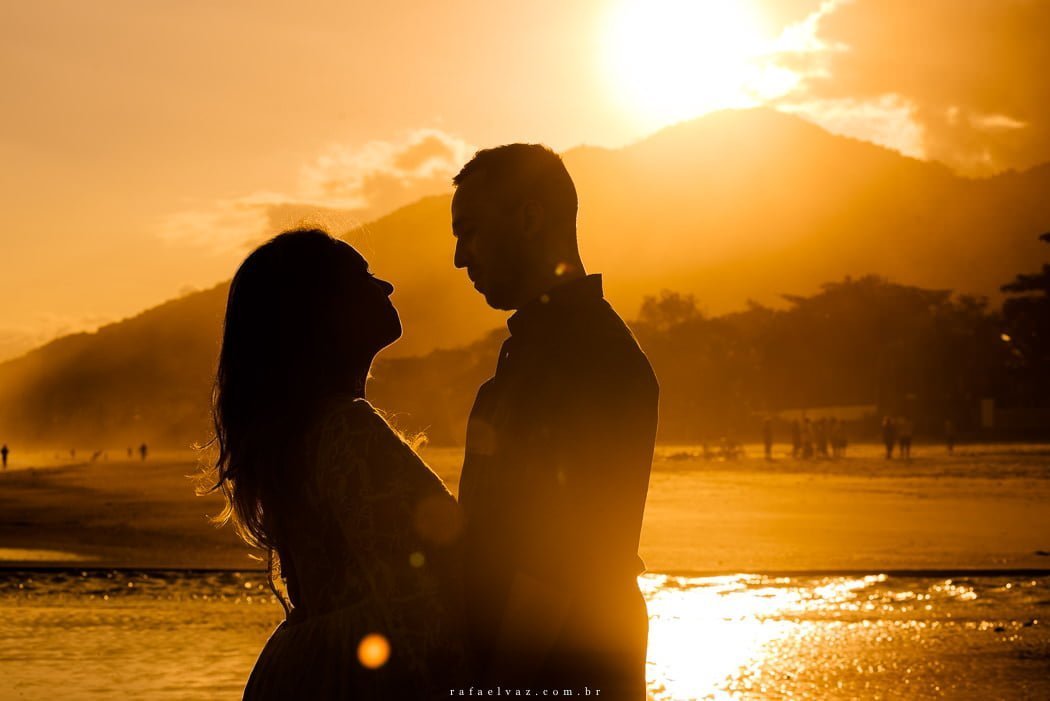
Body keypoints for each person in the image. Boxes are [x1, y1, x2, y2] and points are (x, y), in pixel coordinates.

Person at [204, 229, 466, 699]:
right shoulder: (343, 429)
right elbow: (418, 600)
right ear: (321, 310)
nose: (385, 286)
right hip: (361, 677)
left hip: (313, 669)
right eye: (362, 276)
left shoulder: (303, 429)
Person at [452, 144, 658, 699]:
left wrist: (498, 688)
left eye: (468, 231)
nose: (459, 258)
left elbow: (562, 558)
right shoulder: (538, 349)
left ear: (529, 217)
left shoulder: (589, 359)